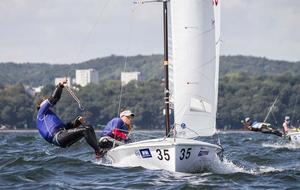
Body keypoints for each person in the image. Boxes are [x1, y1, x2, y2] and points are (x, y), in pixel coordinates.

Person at [36, 78, 101, 159]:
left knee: (89, 127)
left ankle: (100, 150)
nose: (48, 101)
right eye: (45, 101)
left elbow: (67, 128)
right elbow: (54, 98)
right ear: (41, 105)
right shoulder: (41, 113)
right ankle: (98, 152)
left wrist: (77, 122)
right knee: (85, 130)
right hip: (58, 138)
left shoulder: (49, 116)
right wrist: (60, 85)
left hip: (62, 136)